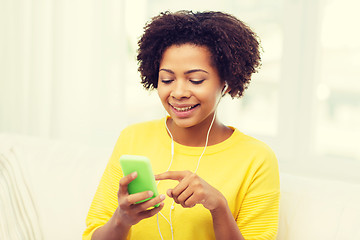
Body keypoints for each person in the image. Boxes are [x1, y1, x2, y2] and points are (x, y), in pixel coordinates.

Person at [83, 10, 280, 240]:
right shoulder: (132, 138)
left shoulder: (256, 158)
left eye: (195, 80)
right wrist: (122, 219)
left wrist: (219, 207)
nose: (178, 93)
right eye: (167, 79)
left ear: (225, 83)